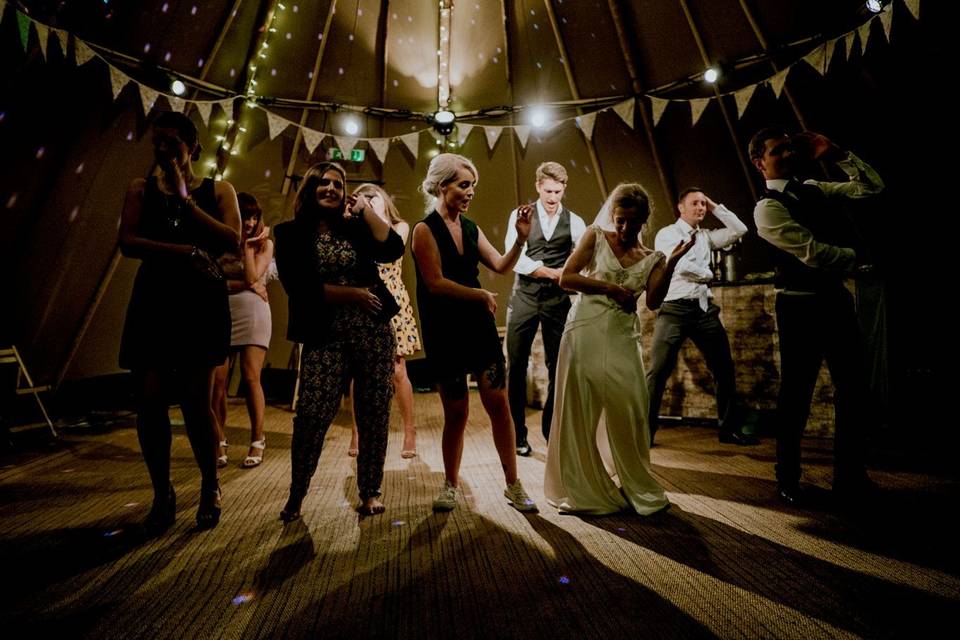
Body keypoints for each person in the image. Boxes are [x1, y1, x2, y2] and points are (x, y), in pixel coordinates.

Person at [118, 111, 240, 531]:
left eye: (172, 142)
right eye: (158, 142)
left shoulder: (218, 190)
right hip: (154, 299)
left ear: (194, 148)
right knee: (150, 400)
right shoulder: (140, 189)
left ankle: (210, 484)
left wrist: (186, 199)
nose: (163, 150)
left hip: (200, 303)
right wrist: (184, 252)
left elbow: (231, 238)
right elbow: (128, 242)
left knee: (195, 402)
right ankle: (162, 491)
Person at [749, 127, 883, 506]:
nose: (789, 154)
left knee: (854, 390)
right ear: (760, 163)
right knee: (797, 395)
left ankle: (850, 477)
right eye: (778, 150)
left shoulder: (813, 187)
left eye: (790, 148)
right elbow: (812, 253)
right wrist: (857, 259)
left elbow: (870, 188)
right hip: (799, 306)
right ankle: (787, 478)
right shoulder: (767, 207)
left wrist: (837, 153)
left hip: (834, 300)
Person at [543, 183, 694, 515]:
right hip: (584, 330)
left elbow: (653, 301)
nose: (625, 228)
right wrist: (610, 287)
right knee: (580, 411)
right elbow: (567, 278)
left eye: (633, 222)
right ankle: (584, 490)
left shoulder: (652, 258)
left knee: (630, 409)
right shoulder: (595, 237)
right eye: (620, 220)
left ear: (644, 221)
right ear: (613, 216)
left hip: (623, 338)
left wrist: (670, 265)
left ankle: (633, 483)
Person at [274, 162, 404, 519]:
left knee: (374, 411)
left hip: (372, 333)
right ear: (310, 188)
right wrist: (354, 294)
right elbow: (299, 289)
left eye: (338, 184)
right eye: (323, 183)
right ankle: (297, 492)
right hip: (323, 333)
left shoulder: (355, 227)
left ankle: (370, 491)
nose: (330, 189)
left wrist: (365, 210)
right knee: (313, 413)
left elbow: (393, 249)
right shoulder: (288, 234)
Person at [410, 153, 537, 513]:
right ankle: (450, 484)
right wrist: (479, 294)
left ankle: (513, 484)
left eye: (473, 186)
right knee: (457, 412)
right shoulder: (424, 230)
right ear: (442, 185)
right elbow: (434, 283)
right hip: (445, 329)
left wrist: (520, 240)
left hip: (477, 326)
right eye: (464, 185)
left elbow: (499, 265)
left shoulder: (470, 226)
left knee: (498, 405)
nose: (470, 192)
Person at [645, 188, 756, 446]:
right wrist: (708, 273)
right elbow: (680, 266)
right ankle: (645, 432)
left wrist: (716, 205)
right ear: (680, 208)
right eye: (695, 203)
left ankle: (728, 430)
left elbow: (740, 230)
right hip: (674, 309)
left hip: (704, 310)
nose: (701, 208)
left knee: (724, 369)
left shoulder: (706, 236)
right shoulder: (667, 234)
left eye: (703, 204)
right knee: (658, 372)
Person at [504, 162, 586, 456]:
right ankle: (517, 435)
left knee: (559, 365)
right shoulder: (521, 215)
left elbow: (582, 258)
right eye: (548, 190)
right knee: (515, 365)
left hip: (557, 301)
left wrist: (571, 272)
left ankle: (552, 430)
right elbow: (517, 259)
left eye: (558, 191)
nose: (553, 197)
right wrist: (554, 272)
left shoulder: (575, 221)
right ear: (538, 186)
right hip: (524, 297)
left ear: (564, 189)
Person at [346, 184, 422, 459]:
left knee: (398, 370)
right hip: (364, 298)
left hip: (393, 301)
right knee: (358, 371)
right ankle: (356, 431)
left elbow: (393, 247)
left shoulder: (400, 226)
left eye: (372, 197)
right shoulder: (355, 228)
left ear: (384, 200)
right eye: (362, 198)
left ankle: (409, 430)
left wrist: (370, 213)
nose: (366, 201)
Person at [212, 192, 274, 469]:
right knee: (217, 382)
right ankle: (218, 440)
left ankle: (257, 440)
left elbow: (252, 277)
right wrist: (243, 285)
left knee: (251, 378)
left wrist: (249, 248)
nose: (249, 222)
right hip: (220, 311)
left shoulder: (264, 245)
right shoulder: (218, 241)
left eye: (254, 217)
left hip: (253, 312)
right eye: (245, 216)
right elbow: (212, 283)